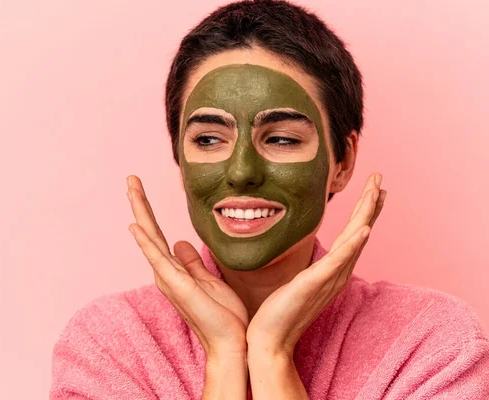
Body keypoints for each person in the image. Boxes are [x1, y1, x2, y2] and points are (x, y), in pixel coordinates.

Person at [49, 1, 489, 399]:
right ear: (180, 160)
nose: (241, 172)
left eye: (280, 138)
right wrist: (224, 357)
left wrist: (271, 354)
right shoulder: (110, 345)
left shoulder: (430, 344)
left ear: (343, 160)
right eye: (207, 139)